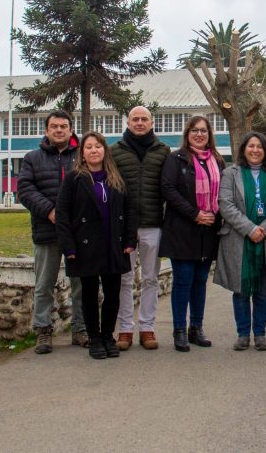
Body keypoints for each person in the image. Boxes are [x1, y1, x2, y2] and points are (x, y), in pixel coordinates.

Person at [55, 132, 137, 360]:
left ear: (104, 150)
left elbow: (129, 210)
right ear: (82, 152)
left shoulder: (116, 178)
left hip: (114, 244)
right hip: (85, 246)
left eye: (97, 146)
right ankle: (94, 337)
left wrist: (130, 240)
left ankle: (108, 335)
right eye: (88, 147)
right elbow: (62, 213)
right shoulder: (73, 179)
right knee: (89, 295)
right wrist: (68, 247)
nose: (93, 150)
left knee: (112, 294)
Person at [17, 111, 86, 354]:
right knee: (44, 284)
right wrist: (50, 211)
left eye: (63, 126)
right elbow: (25, 190)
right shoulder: (32, 158)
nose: (59, 130)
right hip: (46, 230)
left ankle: (80, 329)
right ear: (46, 130)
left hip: (78, 232)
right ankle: (43, 331)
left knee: (80, 283)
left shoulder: (82, 156)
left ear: (70, 130)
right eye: (54, 126)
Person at [214, 132, 266, 351]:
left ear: (265, 151)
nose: (255, 150)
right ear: (243, 149)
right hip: (239, 238)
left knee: (263, 289)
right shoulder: (230, 173)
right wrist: (249, 228)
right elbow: (225, 204)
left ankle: (261, 333)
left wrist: (265, 229)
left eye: (259, 146)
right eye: (251, 146)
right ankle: (243, 333)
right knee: (241, 288)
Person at [160, 115, 225, 352]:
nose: (199, 135)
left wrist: (213, 216)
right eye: (195, 131)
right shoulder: (175, 159)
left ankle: (196, 328)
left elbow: (224, 193)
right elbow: (168, 189)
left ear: (209, 135)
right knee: (183, 281)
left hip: (208, 230)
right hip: (182, 230)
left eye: (204, 131)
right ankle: (179, 329)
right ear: (187, 134)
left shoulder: (217, 161)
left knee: (200, 282)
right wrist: (195, 213)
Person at [110, 106, 171, 351]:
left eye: (144, 119)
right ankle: (125, 328)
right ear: (127, 122)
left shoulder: (163, 151)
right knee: (124, 279)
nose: (139, 122)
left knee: (150, 278)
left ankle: (147, 327)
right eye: (135, 119)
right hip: (123, 226)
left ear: (152, 122)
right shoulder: (114, 151)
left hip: (152, 224)